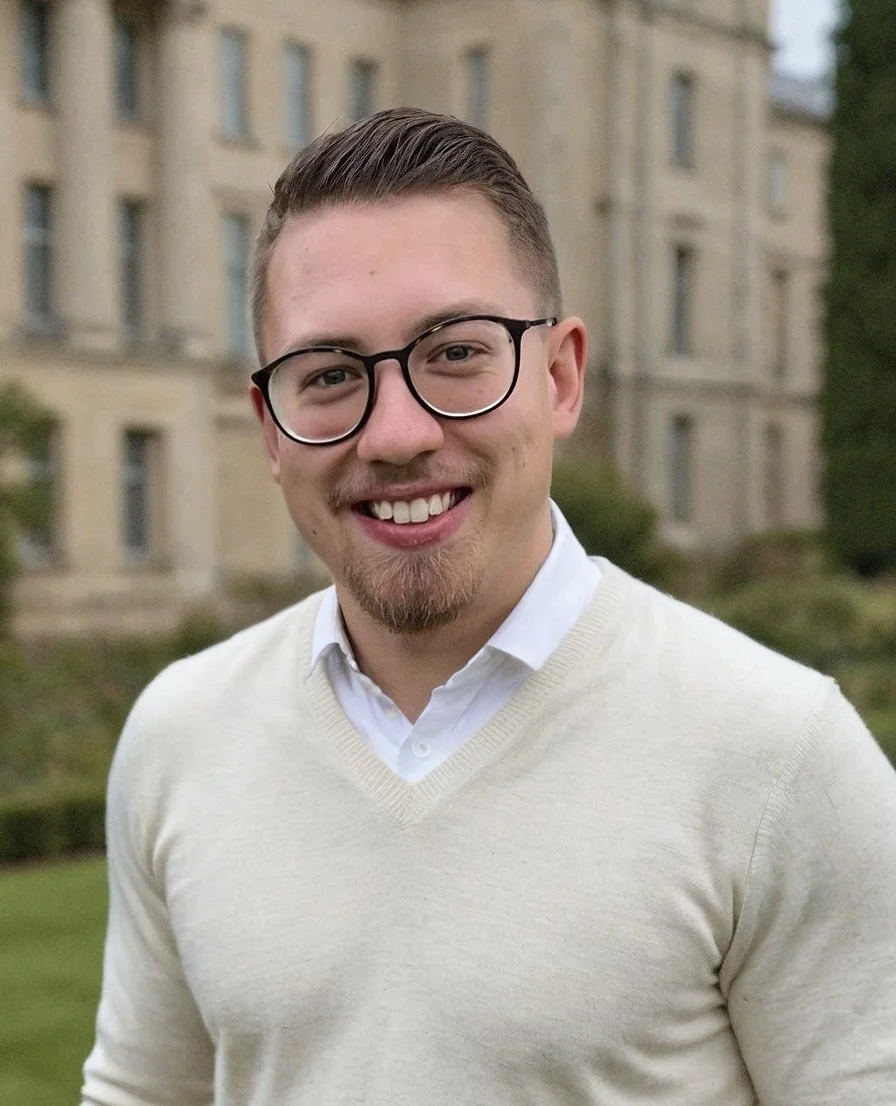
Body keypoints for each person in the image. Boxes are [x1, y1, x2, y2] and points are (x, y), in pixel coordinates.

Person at [81, 108, 896, 1106]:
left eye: (454, 353)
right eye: (330, 374)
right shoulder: (180, 733)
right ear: (269, 427)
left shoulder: (779, 755)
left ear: (557, 376)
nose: (395, 431)